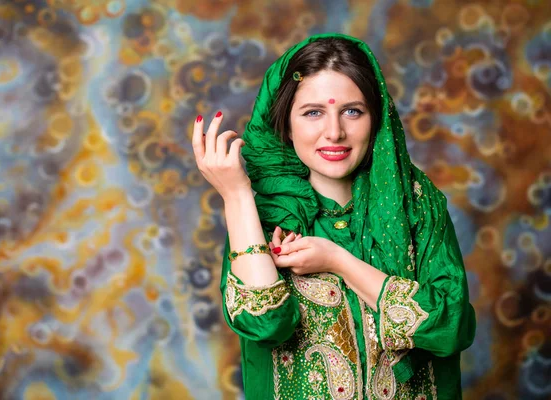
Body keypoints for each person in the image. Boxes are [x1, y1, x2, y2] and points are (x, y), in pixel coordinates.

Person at [191, 33, 476, 400]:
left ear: (377, 119)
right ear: (287, 125)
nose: (335, 132)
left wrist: (338, 261)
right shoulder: (261, 218)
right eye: (313, 113)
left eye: (352, 111)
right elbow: (265, 323)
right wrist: (236, 194)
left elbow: (452, 327)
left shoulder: (417, 204)